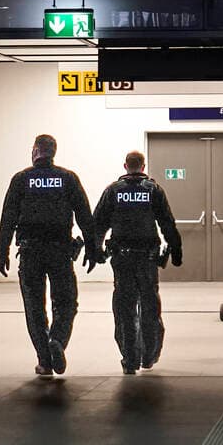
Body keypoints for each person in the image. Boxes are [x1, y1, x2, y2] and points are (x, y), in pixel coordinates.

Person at [0, 133, 98, 376]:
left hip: (30, 251)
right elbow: (85, 215)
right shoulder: (68, 178)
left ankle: (44, 360)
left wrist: (3, 251)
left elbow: (8, 219)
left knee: (34, 307)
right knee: (66, 302)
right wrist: (93, 248)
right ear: (53, 152)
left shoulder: (21, 179)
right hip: (60, 251)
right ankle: (57, 340)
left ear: (35, 150)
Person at [93, 151, 181, 375]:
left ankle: (129, 359)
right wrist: (176, 250)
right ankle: (148, 356)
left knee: (124, 308)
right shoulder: (153, 190)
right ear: (143, 166)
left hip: (122, 258)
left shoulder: (113, 190)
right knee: (150, 306)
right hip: (147, 258)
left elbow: (98, 224)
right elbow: (167, 222)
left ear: (125, 166)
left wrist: (95, 251)